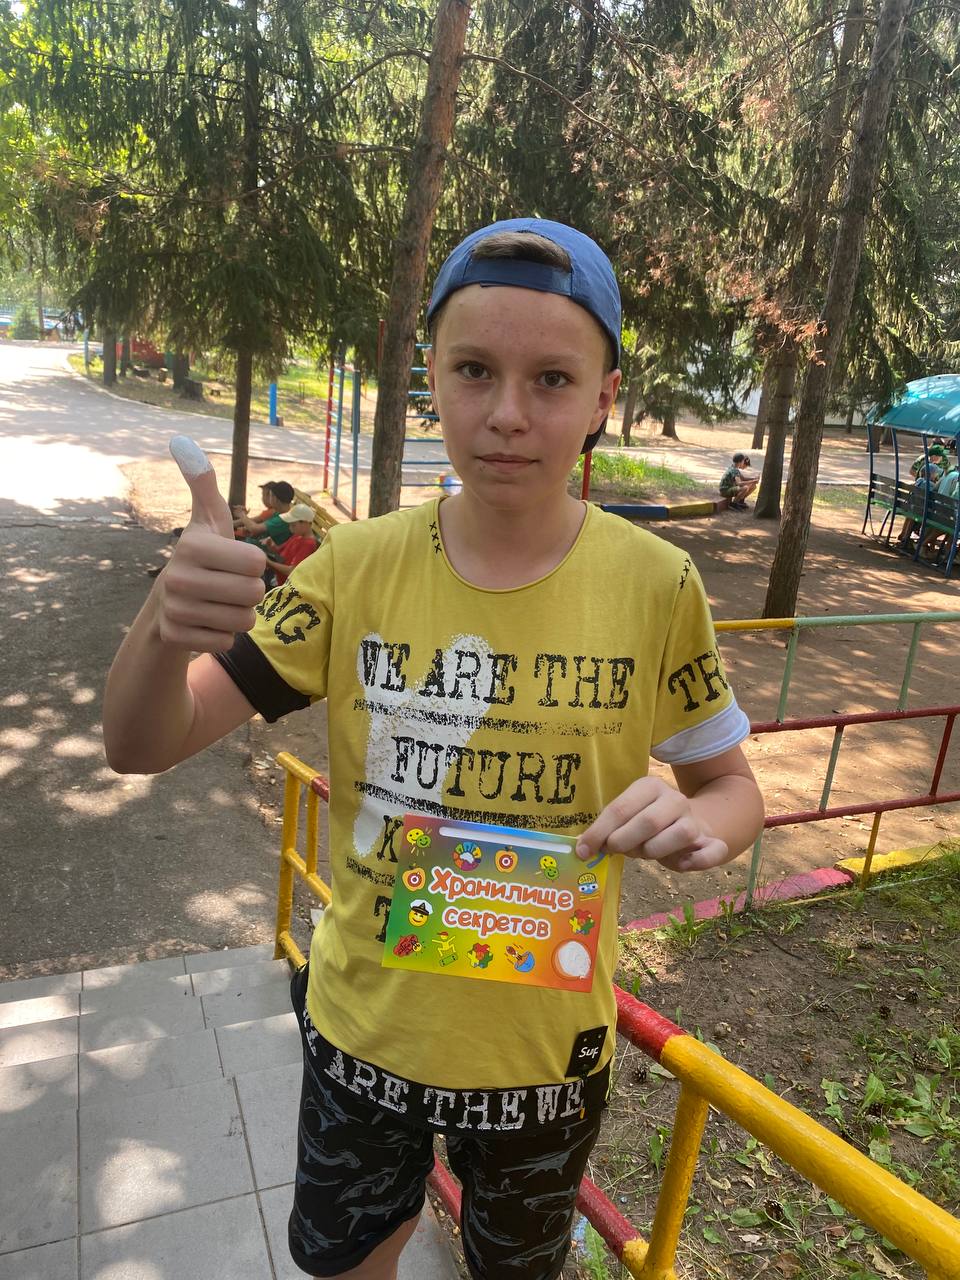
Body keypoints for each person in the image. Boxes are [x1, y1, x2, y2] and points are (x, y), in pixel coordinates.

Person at [103, 218, 764, 1280]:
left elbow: (732, 787)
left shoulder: (657, 585)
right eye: (474, 370)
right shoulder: (351, 570)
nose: (507, 414)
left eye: (553, 379)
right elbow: (142, 742)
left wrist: (701, 825)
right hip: (364, 1038)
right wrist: (162, 627)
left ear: (605, 397)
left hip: (545, 1058)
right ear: (432, 378)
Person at [264, 503, 320, 580]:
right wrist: (271, 546)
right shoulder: (297, 536)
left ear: (305, 523)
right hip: (277, 576)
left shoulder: (308, 544)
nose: (290, 528)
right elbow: (281, 554)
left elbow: (291, 571)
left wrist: (269, 562)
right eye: (289, 525)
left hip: (286, 584)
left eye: (293, 525)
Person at [239, 479, 295, 546]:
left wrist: (241, 514)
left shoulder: (283, 519)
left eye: (270, 496)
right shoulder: (280, 514)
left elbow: (255, 528)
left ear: (275, 499)